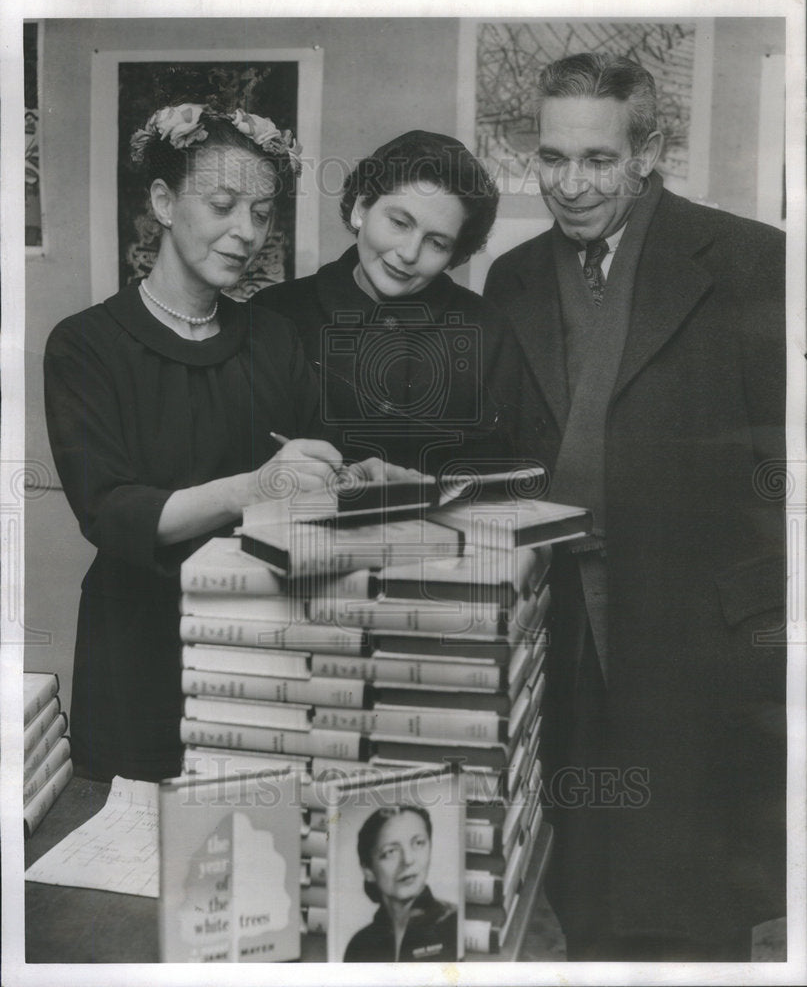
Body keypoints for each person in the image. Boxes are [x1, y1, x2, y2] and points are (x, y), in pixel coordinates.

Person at [483, 53, 786, 961]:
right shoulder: (513, 277)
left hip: (702, 631)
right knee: (584, 890)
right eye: (551, 158)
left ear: (647, 150)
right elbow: (504, 456)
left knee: (696, 907)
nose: (569, 185)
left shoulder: (750, 261)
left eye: (597, 160)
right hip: (560, 630)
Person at [43, 103, 416, 783]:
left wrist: (355, 478)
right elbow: (110, 511)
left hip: (261, 647)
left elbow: (310, 477)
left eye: (263, 212)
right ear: (161, 200)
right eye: (222, 205)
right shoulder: (85, 345)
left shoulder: (273, 338)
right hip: (136, 655)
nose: (247, 232)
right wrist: (251, 488)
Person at [252, 129, 531, 475]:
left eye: (437, 243)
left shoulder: (488, 330)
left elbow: (507, 477)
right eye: (399, 223)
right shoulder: (275, 312)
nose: (409, 253)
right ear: (360, 208)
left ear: (454, 258)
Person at [343, 805, 458, 962]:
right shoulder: (359, 946)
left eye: (418, 843)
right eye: (390, 852)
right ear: (368, 870)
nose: (408, 860)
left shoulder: (455, 926)